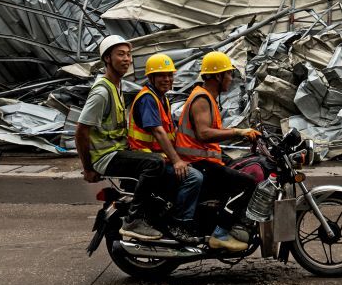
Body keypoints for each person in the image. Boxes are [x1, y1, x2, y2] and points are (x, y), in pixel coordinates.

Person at [74, 35, 165, 241]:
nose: (127, 59)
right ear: (107, 58)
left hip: (118, 151)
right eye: (120, 54)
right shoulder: (102, 92)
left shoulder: (118, 85)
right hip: (106, 157)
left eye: (129, 54)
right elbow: (81, 131)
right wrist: (88, 168)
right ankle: (134, 220)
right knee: (155, 164)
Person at [174, 51, 260, 252]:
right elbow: (204, 134)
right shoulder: (202, 99)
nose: (230, 78)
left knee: (238, 171)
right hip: (197, 162)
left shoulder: (209, 98)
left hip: (203, 160)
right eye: (228, 74)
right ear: (216, 76)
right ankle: (221, 233)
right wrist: (239, 132)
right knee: (247, 183)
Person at [127, 53, 203, 244]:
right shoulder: (148, 99)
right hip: (149, 160)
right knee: (194, 177)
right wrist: (177, 161)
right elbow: (159, 132)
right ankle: (179, 223)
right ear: (151, 77)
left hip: (160, 157)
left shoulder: (162, 99)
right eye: (162, 75)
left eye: (170, 75)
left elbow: (171, 133)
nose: (167, 79)